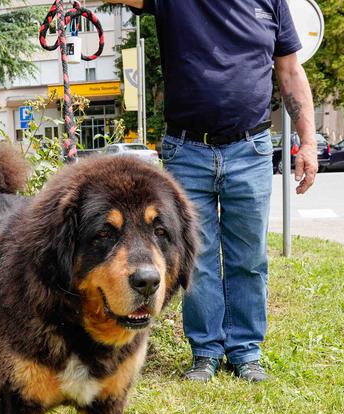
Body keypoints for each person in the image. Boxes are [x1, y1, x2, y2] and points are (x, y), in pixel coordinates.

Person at [109, 0, 318, 383]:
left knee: (249, 258)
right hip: (187, 150)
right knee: (197, 260)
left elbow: (289, 70)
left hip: (250, 149)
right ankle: (205, 351)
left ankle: (246, 352)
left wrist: (308, 141)